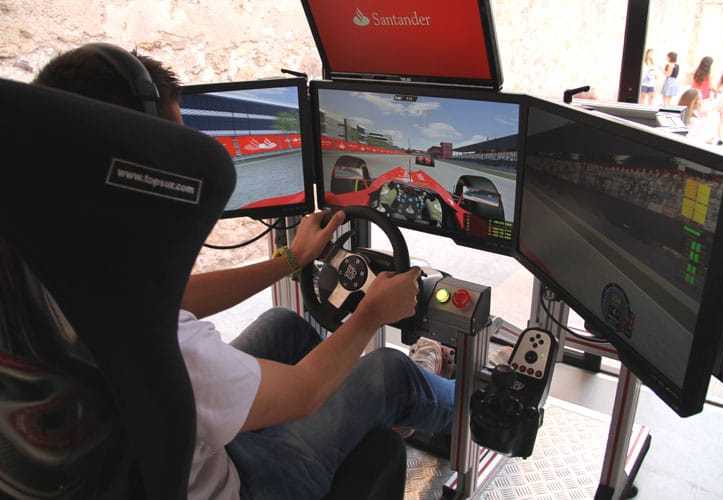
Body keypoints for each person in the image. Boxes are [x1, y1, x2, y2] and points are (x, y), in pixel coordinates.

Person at [33, 44, 461, 500]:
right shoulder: (161, 346)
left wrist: (290, 261)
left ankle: (372, 406)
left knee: (284, 326)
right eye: (174, 156)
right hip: (246, 486)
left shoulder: (46, 263)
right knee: (388, 372)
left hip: (167, 456)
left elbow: (173, 296)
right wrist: (372, 314)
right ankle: (464, 407)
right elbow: (305, 392)